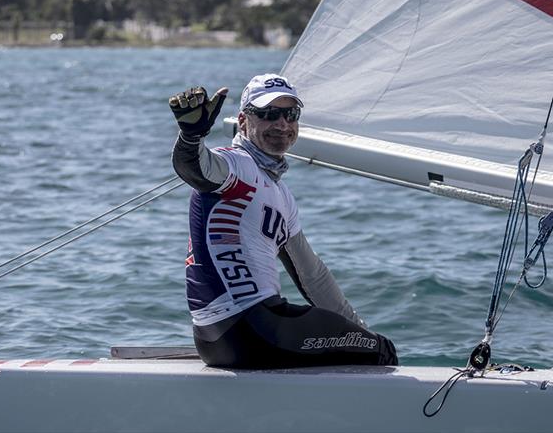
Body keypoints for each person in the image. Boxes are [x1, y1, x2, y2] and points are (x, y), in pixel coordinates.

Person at [169, 74, 398, 369]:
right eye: (268, 114)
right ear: (243, 121)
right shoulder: (237, 166)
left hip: (217, 341)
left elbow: (312, 276)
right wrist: (191, 136)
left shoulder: (279, 193)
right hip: (252, 328)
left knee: (359, 342)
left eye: (290, 114)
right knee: (382, 351)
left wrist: (358, 331)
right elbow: (195, 168)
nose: (282, 124)